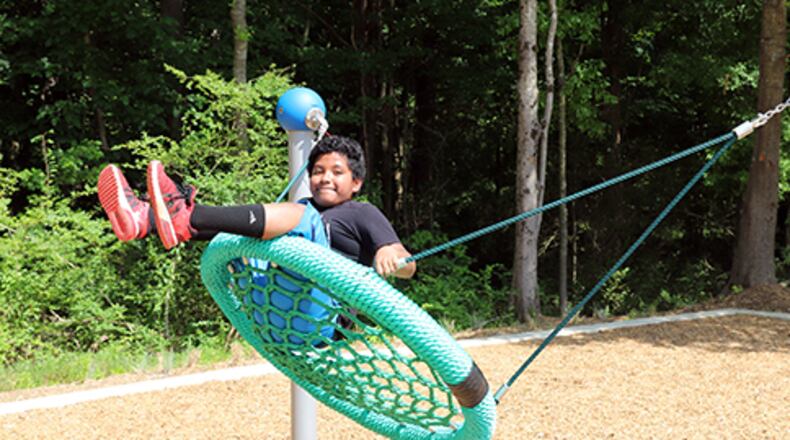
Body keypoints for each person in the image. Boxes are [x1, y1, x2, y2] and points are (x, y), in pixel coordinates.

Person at [97, 135, 416, 279]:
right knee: (265, 228)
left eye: (336, 172)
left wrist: (392, 255)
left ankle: (179, 215)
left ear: (356, 182)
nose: (325, 179)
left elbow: (409, 267)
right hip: (274, 308)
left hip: (323, 316)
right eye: (317, 171)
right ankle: (148, 220)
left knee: (300, 217)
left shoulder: (361, 212)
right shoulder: (303, 209)